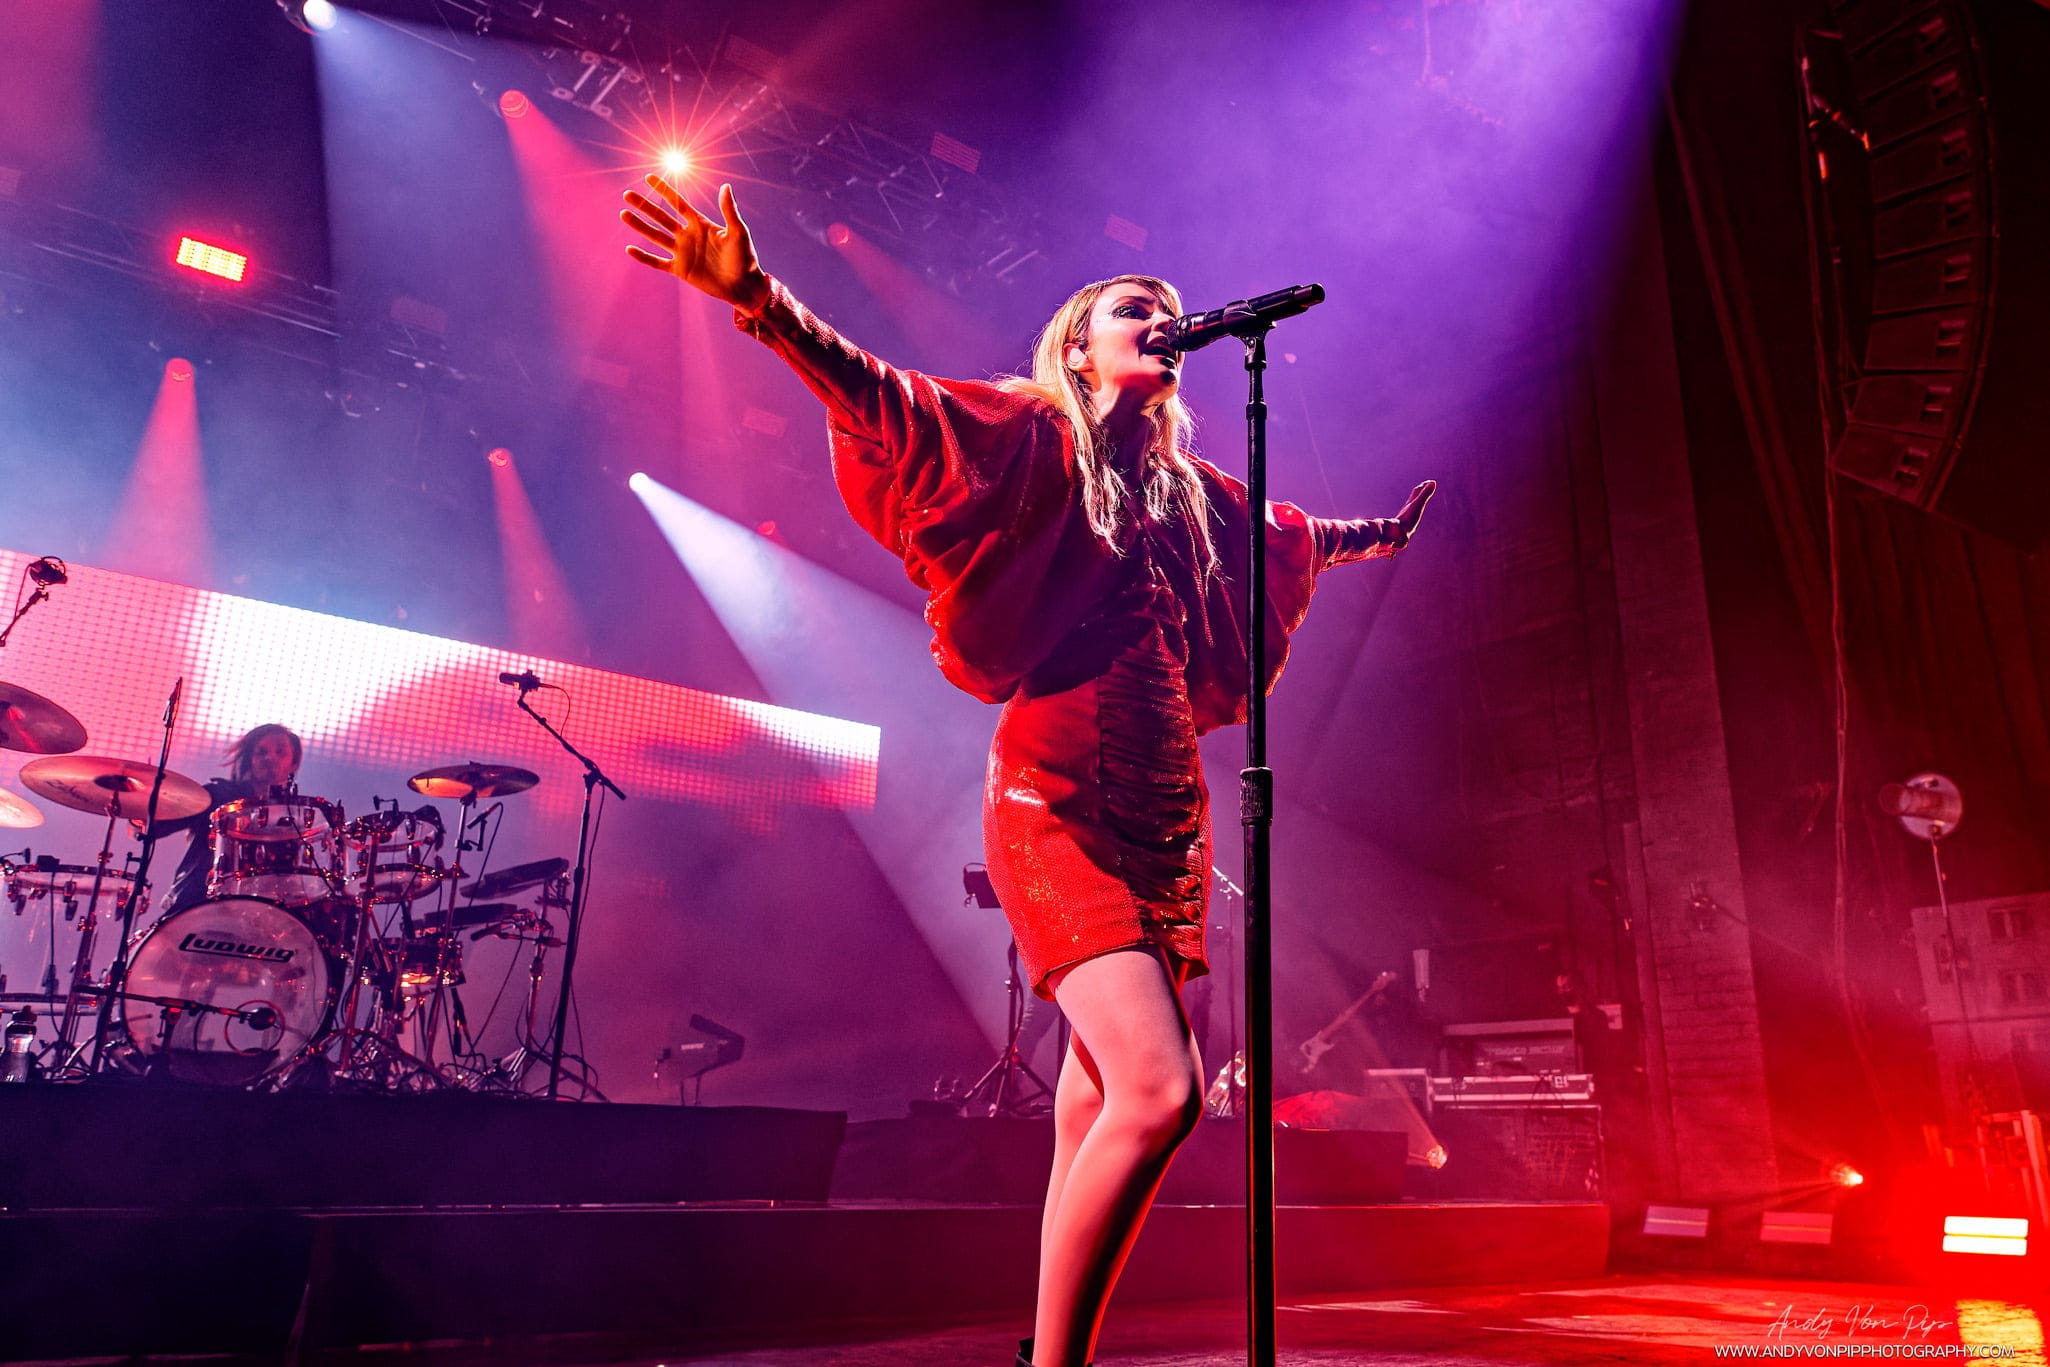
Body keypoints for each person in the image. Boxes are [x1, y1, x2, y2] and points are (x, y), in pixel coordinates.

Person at [622, 177, 1434, 1367]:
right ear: (1079, 342)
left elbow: (1295, 533)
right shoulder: (1030, 430)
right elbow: (892, 402)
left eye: (1168, 306)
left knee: (1092, 1111)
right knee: (1161, 1094)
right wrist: (761, 300)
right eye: (1131, 306)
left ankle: (1053, 1357)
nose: (1160, 316)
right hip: (1052, 803)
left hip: (1166, 819)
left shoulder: (1196, 496)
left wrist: (1380, 537)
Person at [146, 724, 305, 914]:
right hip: (199, 902)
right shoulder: (219, 796)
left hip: (267, 912)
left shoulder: (300, 815)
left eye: (280, 752)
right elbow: (151, 828)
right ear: (249, 760)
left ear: (293, 762)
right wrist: (144, 798)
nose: (270, 758)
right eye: (261, 752)